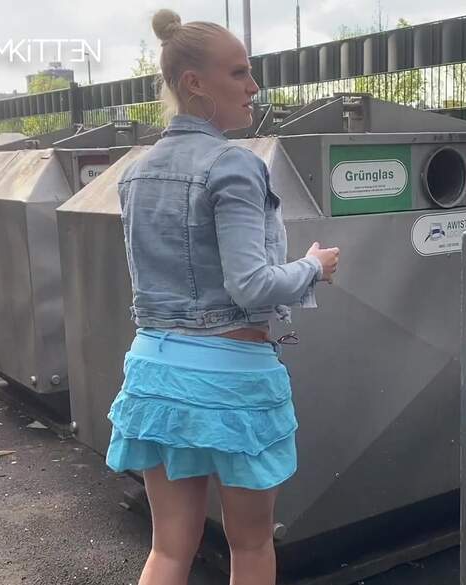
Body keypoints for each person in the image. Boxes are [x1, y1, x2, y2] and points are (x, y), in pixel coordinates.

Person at [104, 9, 340, 585]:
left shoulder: (136, 171)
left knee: (168, 550)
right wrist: (312, 267)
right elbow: (251, 284)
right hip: (231, 381)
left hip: (155, 375)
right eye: (239, 73)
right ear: (194, 83)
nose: (253, 86)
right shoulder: (234, 165)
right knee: (251, 545)